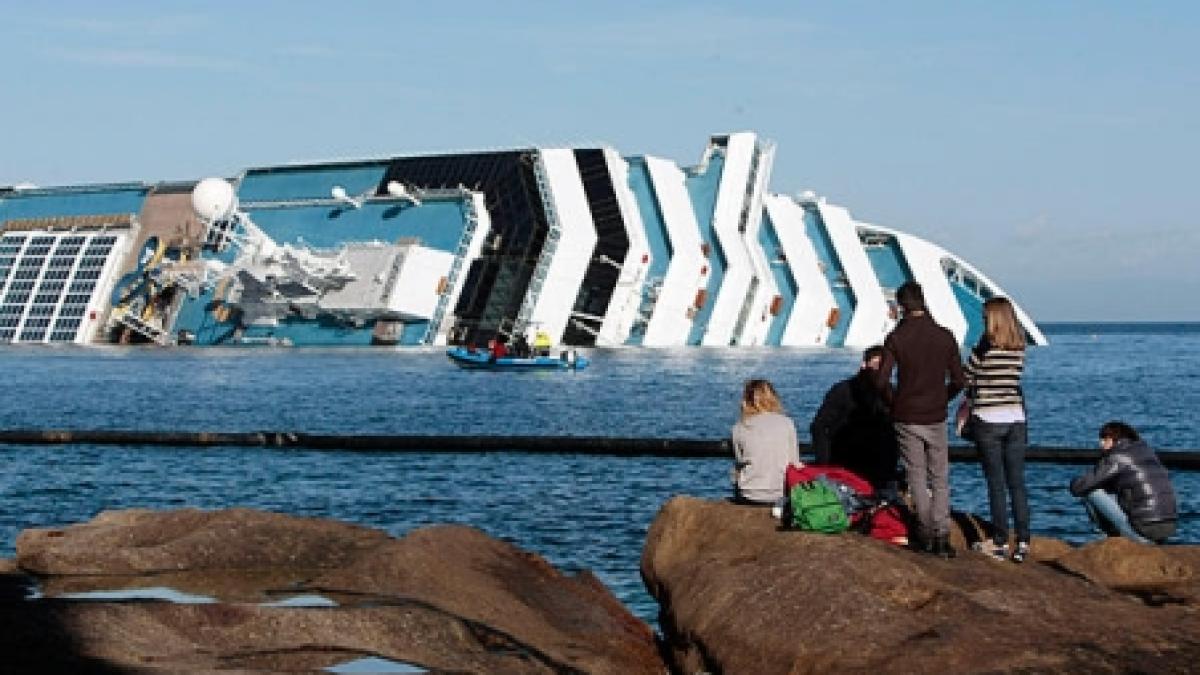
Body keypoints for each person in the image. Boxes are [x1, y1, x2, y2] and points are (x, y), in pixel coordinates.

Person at [875, 281, 965, 558]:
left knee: (916, 475)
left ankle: (925, 533)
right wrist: (943, 398)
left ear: (901, 306)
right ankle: (941, 534)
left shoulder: (897, 338)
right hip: (935, 414)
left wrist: (895, 402)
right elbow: (960, 380)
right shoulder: (944, 336)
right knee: (940, 476)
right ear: (923, 301)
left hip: (906, 414)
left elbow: (881, 381)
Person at [964, 297, 1031, 563]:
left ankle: (1000, 540)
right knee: (1017, 483)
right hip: (1016, 417)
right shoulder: (1019, 345)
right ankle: (1024, 539)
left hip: (988, 417)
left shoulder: (984, 345)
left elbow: (967, 374)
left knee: (996, 483)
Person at [1070, 421, 1177, 544]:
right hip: (1167, 529)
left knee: (1091, 492)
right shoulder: (1147, 453)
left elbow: (1078, 488)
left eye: (1104, 439)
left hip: (1143, 534)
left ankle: (1103, 541)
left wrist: (1074, 481)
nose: (1100, 443)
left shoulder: (1117, 457)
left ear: (1112, 440)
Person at [809, 345, 898, 490]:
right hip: (849, 465)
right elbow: (819, 426)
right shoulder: (843, 391)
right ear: (863, 365)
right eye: (875, 365)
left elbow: (819, 426)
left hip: (874, 467)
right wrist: (826, 463)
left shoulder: (891, 394)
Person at [731, 379, 800, 506]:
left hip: (749, 493)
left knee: (735, 471)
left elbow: (740, 461)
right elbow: (794, 461)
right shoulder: (787, 423)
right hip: (780, 493)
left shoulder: (739, 427)